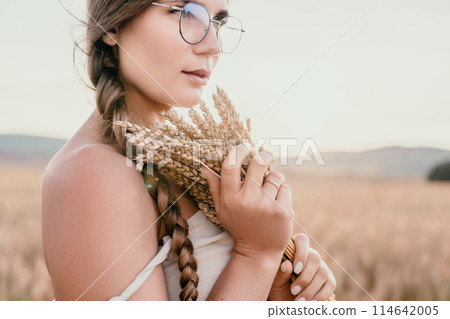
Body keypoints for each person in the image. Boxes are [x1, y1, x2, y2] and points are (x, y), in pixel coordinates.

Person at [41, 0, 336, 301]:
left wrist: (278, 288)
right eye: (184, 12)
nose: (212, 45)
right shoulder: (91, 175)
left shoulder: (183, 160)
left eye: (218, 21)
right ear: (113, 26)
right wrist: (257, 255)